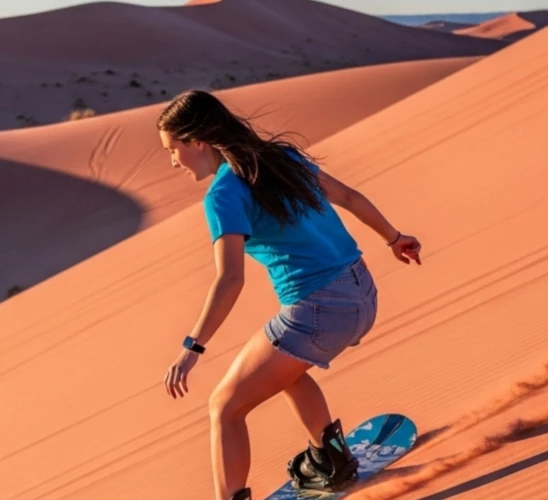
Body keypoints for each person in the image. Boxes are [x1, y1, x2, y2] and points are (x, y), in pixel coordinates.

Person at [157, 89, 422, 500]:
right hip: (362, 291)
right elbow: (348, 197)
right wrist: (394, 238)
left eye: (173, 149)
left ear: (197, 141)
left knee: (224, 408)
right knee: (281, 367)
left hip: (320, 309)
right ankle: (330, 457)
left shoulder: (223, 195)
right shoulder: (281, 158)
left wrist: (193, 347)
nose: (172, 161)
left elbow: (230, 279)